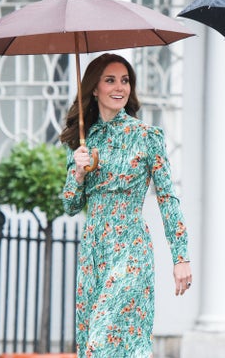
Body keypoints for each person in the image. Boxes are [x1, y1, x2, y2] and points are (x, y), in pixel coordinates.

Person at [59, 53, 192, 357]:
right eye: (110, 80)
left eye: (125, 80)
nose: (119, 87)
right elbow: (69, 204)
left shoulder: (148, 137)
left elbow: (167, 198)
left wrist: (180, 256)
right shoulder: (82, 141)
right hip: (93, 251)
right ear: (94, 88)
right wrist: (78, 172)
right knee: (97, 340)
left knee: (100, 343)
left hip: (131, 249)